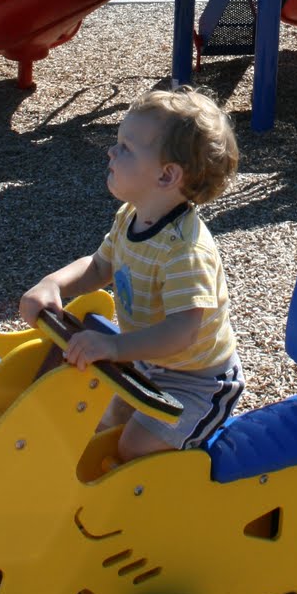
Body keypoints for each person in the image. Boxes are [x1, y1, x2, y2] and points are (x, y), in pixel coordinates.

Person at [19, 87, 243, 462]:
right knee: (98, 423)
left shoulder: (185, 252)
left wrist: (115, 347)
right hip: (146, 362)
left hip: (198, 381)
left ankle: (162, 505)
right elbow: (100, 265)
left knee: (134, 446)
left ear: (166, 175)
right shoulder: (131, 216)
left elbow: (181, 331)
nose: (111, 151)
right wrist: (52, 284)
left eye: (125, 147)